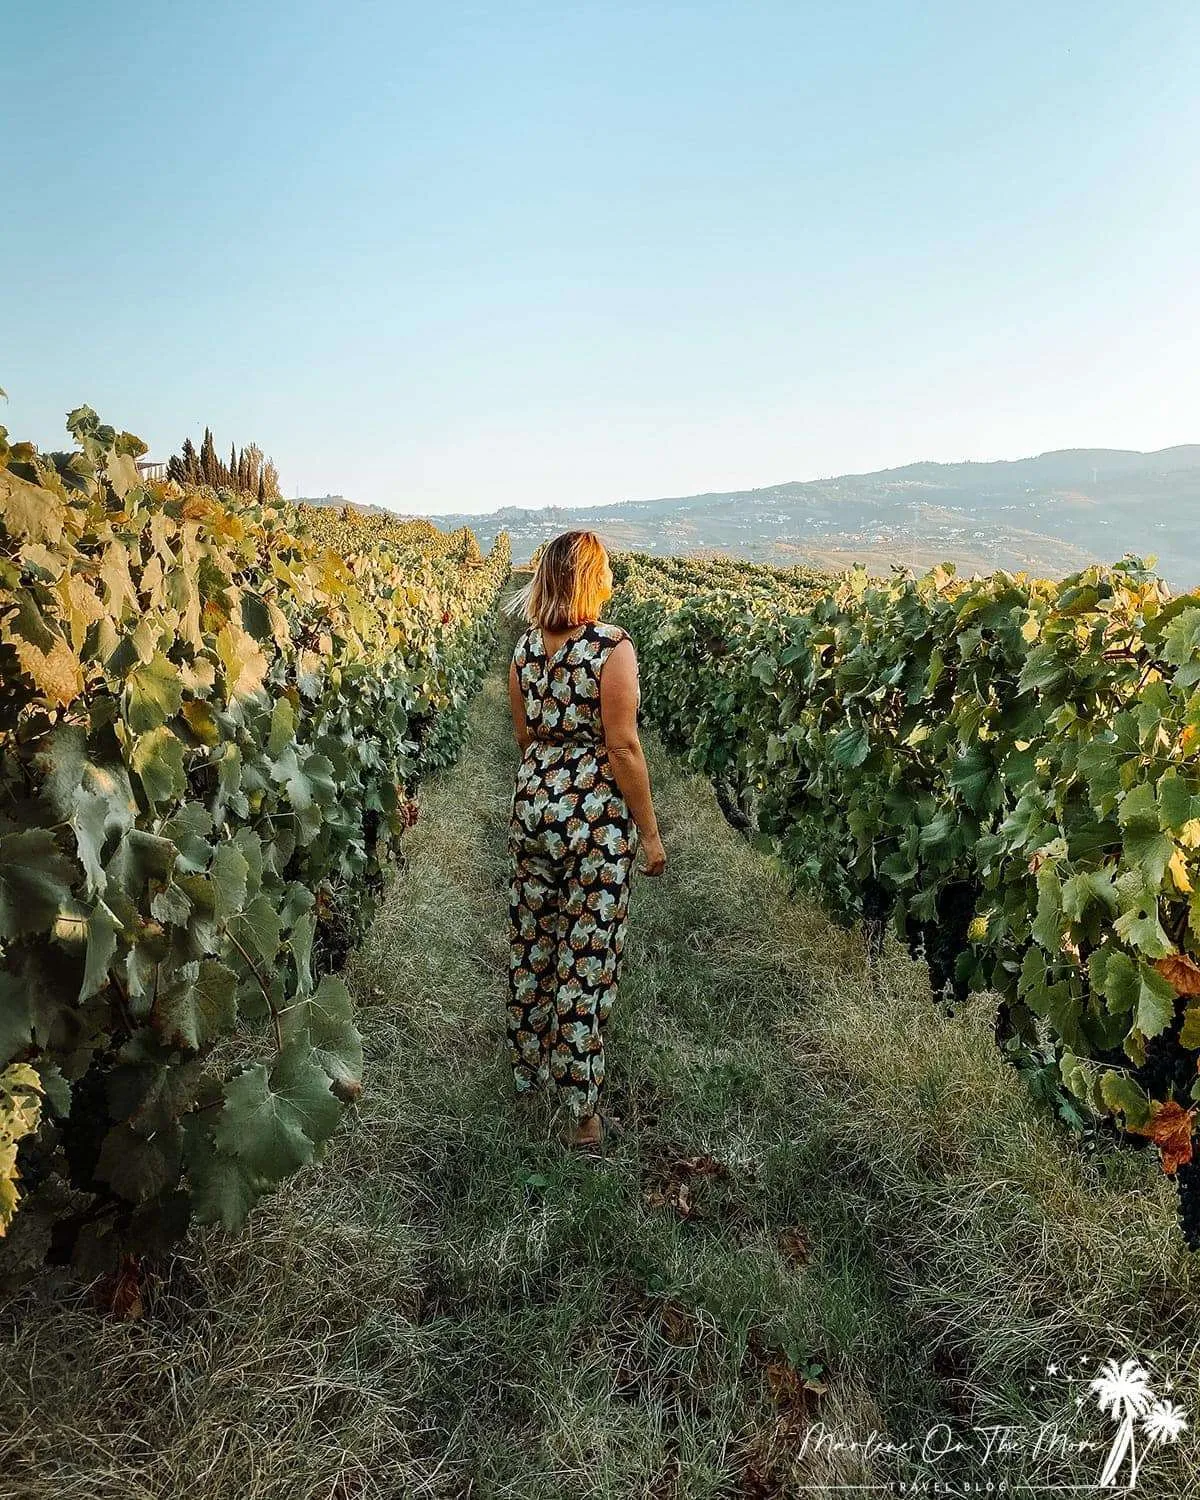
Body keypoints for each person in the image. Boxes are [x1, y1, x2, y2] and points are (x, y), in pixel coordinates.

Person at [505, 530, 667, 1151]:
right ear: (593, 579)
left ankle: (527, 1075)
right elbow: (623, 747)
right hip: (594, 825)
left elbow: (525, 737)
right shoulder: (610, 647)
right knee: (586, 959)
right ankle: (583, 1113)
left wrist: (550, 786)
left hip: (533, 810)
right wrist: (648, 834)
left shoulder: (524, 651)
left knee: (533, 942)